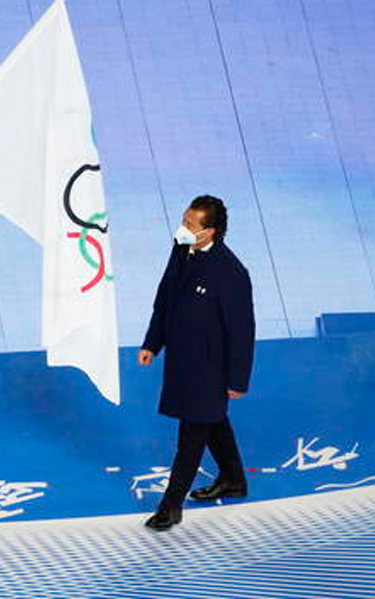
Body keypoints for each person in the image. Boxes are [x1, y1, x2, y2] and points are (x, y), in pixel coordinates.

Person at [138, 195, 255, 531]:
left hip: (210, 368)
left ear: (210, 232)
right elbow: (165, 299)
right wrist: (152, 342)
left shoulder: (231, 273)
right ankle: (234, 479)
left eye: (191, 224)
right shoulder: (180, 249)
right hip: (181, 361)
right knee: (212, 421)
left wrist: (237, 380)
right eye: (184, 219)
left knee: (191, 436)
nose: (183, 227)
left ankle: (170, 506)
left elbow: (242, 330)